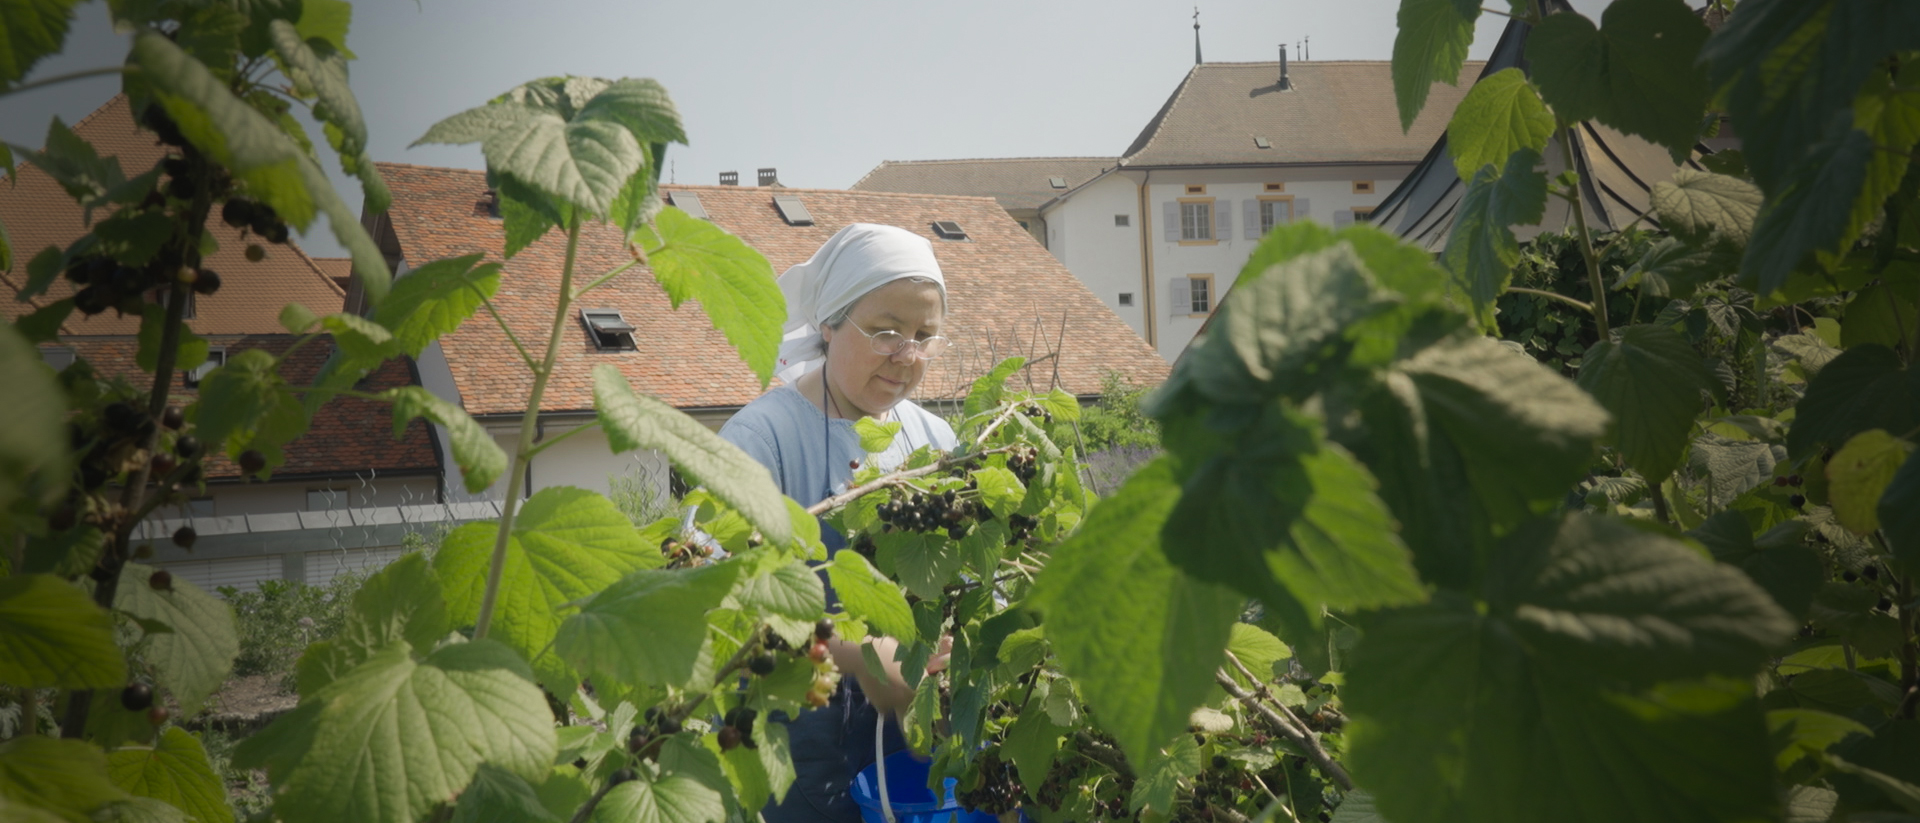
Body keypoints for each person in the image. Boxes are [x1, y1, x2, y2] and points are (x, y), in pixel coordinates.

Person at [719, 223, 958, 823]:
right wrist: (859, 655)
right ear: (829, 323)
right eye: (885, 331)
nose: (908, 356)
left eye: (924, 335)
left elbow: (955, 582)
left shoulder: (934, 441)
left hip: (904, 751)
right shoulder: (762, 438)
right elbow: (720, 609)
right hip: (792, 752)